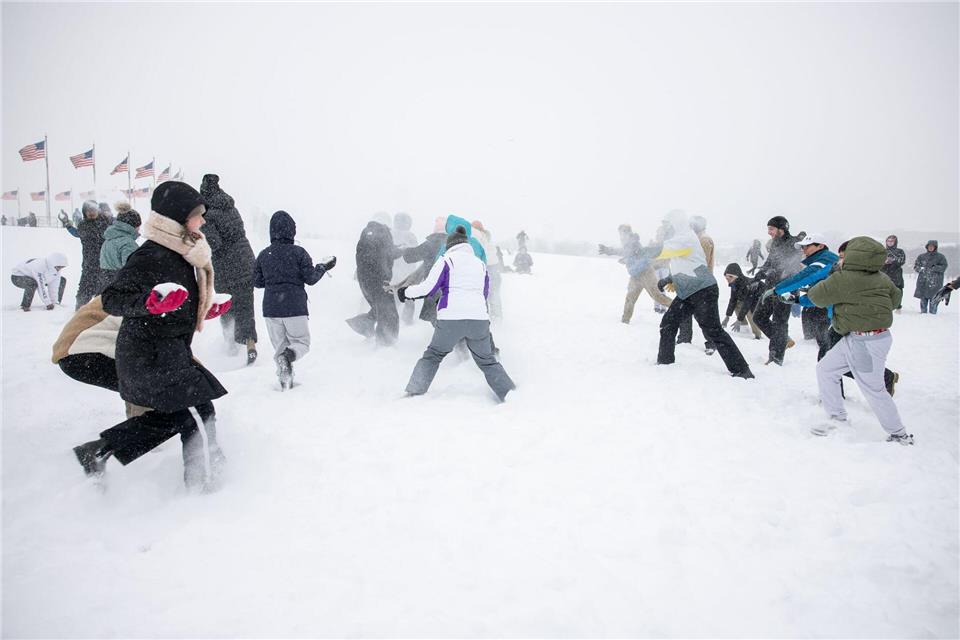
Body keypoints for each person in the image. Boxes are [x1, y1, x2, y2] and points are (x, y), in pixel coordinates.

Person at [72, 181, 233, 491]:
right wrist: (149, 304)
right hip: (149, 354)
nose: (202, 221)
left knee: (178, 416)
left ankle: (99, 451)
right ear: (178, 217)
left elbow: (176, 300)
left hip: (165, 351)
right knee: (197, 413)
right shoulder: (152, 254)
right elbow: (112, 299)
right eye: (197, 214)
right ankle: (206, 487)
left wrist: (203, 309)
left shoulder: (182, 253)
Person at [804, 236, 913, 444]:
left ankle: (899, 434)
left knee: (873, 389)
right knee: (826, 370)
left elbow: (816, 296)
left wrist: (835, 275)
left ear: (853, 256)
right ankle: (837, 419)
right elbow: (895, 300)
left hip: (865, 341)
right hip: (863, 337)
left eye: (843, 256)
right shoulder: (881, 277)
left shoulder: (843, 278)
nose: (840, 259)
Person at [398, 225, 516, 401]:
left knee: (433, 355)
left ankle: (415, 391)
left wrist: (405, 292)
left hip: (451, 320)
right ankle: (509, 393)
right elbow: (484, 293)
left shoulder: (446, 261)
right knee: (487, 361)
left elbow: (428, 288)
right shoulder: (480, 264)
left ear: (450, 245)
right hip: (478, 320)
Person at [654, 210, 753, 378]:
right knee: (668, 323)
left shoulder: (685, 238)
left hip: (703, 290)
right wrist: (669, 279)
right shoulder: (678, 239)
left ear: (675, 224)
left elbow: (657, 251)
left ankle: (742, 370)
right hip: (687, 291)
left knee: (713, 330)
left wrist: (623, 250)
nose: (664, 228)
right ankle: (665, 363)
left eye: (666, 225)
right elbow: (684, 264)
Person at [254, 210, 336, 389]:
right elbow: (311, 278)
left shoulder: (264, 254)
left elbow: (257, 282)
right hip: (294, 307)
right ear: (292, 230)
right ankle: (288, 358)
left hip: (271, 308)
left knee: (280, 347)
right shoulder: (299, 253)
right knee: (301, 343)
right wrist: (322, 267)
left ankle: (285, 381)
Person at [52, 296, 148, 420]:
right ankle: (143, 425)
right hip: (84, 348)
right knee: (151, 384)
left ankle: (140, 423)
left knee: (141, 387)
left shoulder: (140, 288)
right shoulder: (157, 296)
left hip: (75, 348)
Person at [200, 174, 258, 363]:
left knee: (226, 305)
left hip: (226, 267)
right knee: (246, 306)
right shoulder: (230, 206)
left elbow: (214, 243)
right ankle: (250, 344)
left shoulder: (207, 214)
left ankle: (230, 346)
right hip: (246, 261)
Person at [772, 234, 838, 360]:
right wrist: (798, 300)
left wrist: (777, 289)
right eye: (802, 247)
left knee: (830, 355)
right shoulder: (821, 262)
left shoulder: (825, 260)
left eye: (807, 246)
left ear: (820, 246)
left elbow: (803, 277)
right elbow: (820, 294)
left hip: (843, 315)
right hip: (835, 315)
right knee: (828, 354)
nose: (804, 250)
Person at [753, 216, 802, 365]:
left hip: (786, 288)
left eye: (771, 229)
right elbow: (770, 262)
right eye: (768, 229)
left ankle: (776, 358)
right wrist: (761, 272)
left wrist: (772, 272)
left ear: (782, 229)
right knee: (759, 317)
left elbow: (789, 267)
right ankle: (783, 341)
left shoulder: (794, 244)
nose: (769, 232)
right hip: (770, 287)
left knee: (780, 322)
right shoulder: (775, 243)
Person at [599, 224, 672, 324]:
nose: (621, 235)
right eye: (620, 233)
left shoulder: (633, 241)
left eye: (622, 232)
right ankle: (625, 321)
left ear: (627, 232)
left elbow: (627, 252)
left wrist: (609, 251)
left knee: (657, 297)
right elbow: (630, 255)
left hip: (646, 273)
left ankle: (678, 307)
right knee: (630, 298)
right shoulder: (627, 243)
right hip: (635, 276)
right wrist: (626, 260)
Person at [347, 218, 402, 345]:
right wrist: (384, 275)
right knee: (388, 312)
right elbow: (383, 255)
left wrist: (396, 250)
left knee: (381, 308)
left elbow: (379, 253)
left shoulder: (368, 234)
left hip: (366, 280)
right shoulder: (381, 232)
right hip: (378, 280)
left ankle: (364, 325)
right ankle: (386, 343)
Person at [394, 217, 448, 325]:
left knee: (436, 320)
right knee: (447, 320)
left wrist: (404, 249)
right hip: (451, 290)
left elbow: (411, 256)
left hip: (433, 289)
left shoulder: (431, 244)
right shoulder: (454, 245)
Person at [59, 200, 109, 308]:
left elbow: (116, 232)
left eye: (93, 209)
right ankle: (79, 310)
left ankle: (100, 311)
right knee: (84, 291)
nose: (91, 212)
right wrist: (67, 224)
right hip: (89, 264)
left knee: (103, 292)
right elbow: (77, 233)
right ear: (84, 212)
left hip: (105, 264)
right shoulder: (83, 225)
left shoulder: (105, 222)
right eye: (88, 210)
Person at [677, 215, 715, 350]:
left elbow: (700, 263)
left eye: (692, 225)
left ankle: (712, 342)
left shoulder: (704, 240)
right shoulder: (695, 239)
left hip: (700, 283)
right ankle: (684, 339)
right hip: (690, 282)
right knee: (684, 311)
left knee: (702, 315)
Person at [99, 204, 142, 288]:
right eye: (138, 226)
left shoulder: (108, 240)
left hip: (106, 284)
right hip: (122, 286)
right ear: (133, 225)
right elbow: (132, 270)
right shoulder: (128, 243)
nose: (139, 229)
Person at [720, 263, 764, 339]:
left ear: (737, 276)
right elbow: (733, 300)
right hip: (748, 300)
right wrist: (727, 316)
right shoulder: (734, 284)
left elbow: (747, 303)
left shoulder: (746, 285)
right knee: (737, 305)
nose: (727, 278)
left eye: (730, 276)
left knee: (750, 311)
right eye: (726, 276)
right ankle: (744, 327)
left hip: (760, 298)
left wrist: (739, 319)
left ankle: (757, 334)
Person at [472, 220, 503, 321]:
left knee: (482, 295)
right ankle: (497, 317)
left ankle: (484, 318)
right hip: (494, 268)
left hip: (484, 267)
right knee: (494, 294)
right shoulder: (487, 238)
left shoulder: (475, 236)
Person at [392, 212, 419, 325]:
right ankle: (407, 322)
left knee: (395, 297)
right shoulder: (410, 236)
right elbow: (416, 254)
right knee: (408, 297)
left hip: (394, 272)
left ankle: (392, 321)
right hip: (407, 273)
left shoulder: (391, 234)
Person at [913, 240, 948, 314]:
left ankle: (933, 315)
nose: (931, 247)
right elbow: (916, 267)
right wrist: (921, 269)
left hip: (935, 282)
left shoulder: (941, 257)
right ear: (927, 247)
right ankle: (923, 314)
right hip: (923, 281)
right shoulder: (921, 256)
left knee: (934, 300)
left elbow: (944, 267)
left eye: (932, 246)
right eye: (929, 246)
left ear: (935, 247)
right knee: (923, 300)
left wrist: (934, 268)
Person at [881, 235, 906, 312]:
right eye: (888, 241)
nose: (890, 242)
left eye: (892, 241)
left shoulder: (900, 251)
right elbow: (877, 261)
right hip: (884, 275)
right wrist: (884, 262)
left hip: (896, 275)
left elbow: (902, 261)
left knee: (898, 292)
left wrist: (893, 261)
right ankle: (885, 306)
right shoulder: (882, 251)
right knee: (884, 292)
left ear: (895, 242)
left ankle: (898, 307)